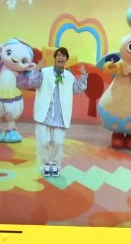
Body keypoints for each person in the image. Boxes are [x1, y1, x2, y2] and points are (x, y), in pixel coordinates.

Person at [26, 46, 87, 178]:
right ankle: (44, 164)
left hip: (60, 115)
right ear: (55, 58)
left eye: (63, 56)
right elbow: (33, 83)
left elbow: (77, 89)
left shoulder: (69, 76)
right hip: (44, 114)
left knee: (58, 141)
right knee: (43, 141)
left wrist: (84, 76)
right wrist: (36, 69)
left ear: (66, 59)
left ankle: (55, 164)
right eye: (59, 55)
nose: (61, 57)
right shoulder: (45, 72)